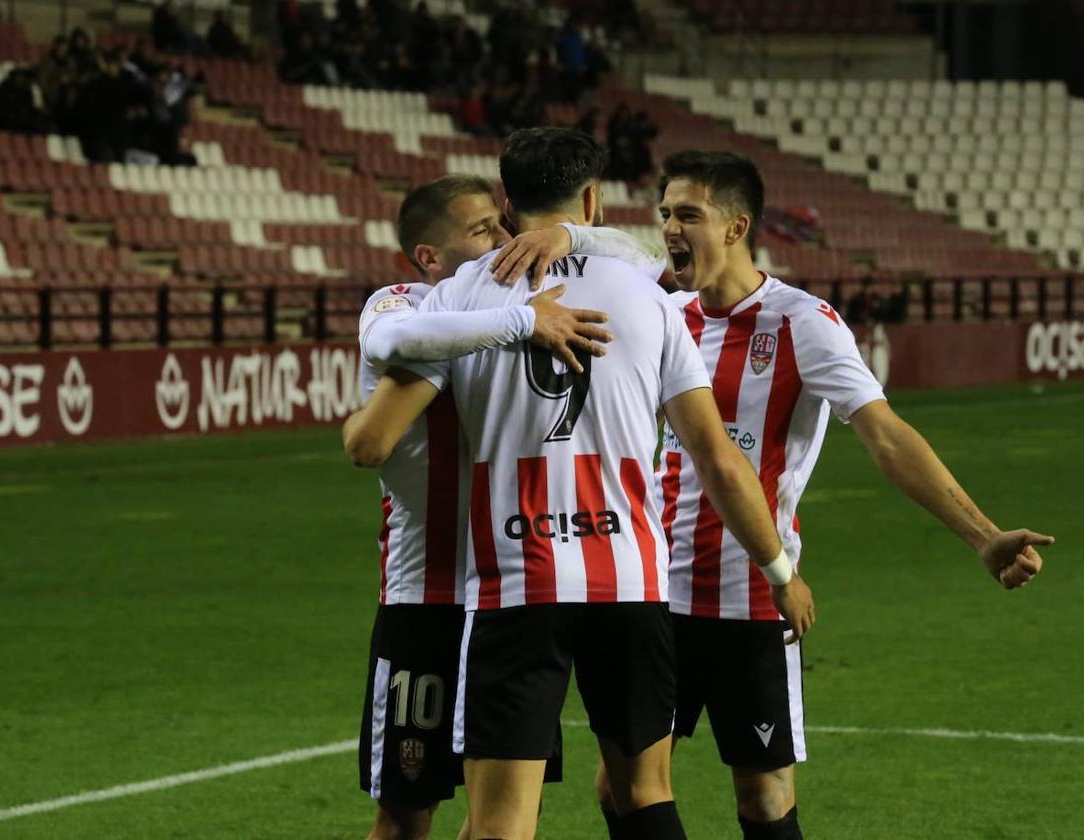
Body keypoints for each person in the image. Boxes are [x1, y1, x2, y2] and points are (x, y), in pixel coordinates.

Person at [488, 149, 1053, 840]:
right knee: (623, 786)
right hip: (652, 594)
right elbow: (611, 264)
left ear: (736, 226)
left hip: (749, 593)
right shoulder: (662, 311)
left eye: (688, 214)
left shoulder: (801, 321)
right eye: (664, 212)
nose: (669, 227)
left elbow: (886, 438)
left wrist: (982, 533)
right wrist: (564, 235)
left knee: (762, 795)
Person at [344, 129, 815, 840]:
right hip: (629, 580)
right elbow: (717, 457)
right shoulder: (649, 297)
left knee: (499, 822)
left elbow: (371, 436)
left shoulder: (460, 299)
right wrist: (778, 567)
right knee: (646, 794)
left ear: (509, 201)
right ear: (591, 198)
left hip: (516, 581)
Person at [345, 174, 668, 840]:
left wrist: (568, 234)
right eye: (481, 229)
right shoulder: (404, 304)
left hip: (516, 592)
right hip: (429, 598)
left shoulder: (541, 291)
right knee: (406, 818)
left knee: (505, 815)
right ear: (430, 258)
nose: (503, 237)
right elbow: (383, 365)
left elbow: (644, 261)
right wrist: (525, 322)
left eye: (503, 223)